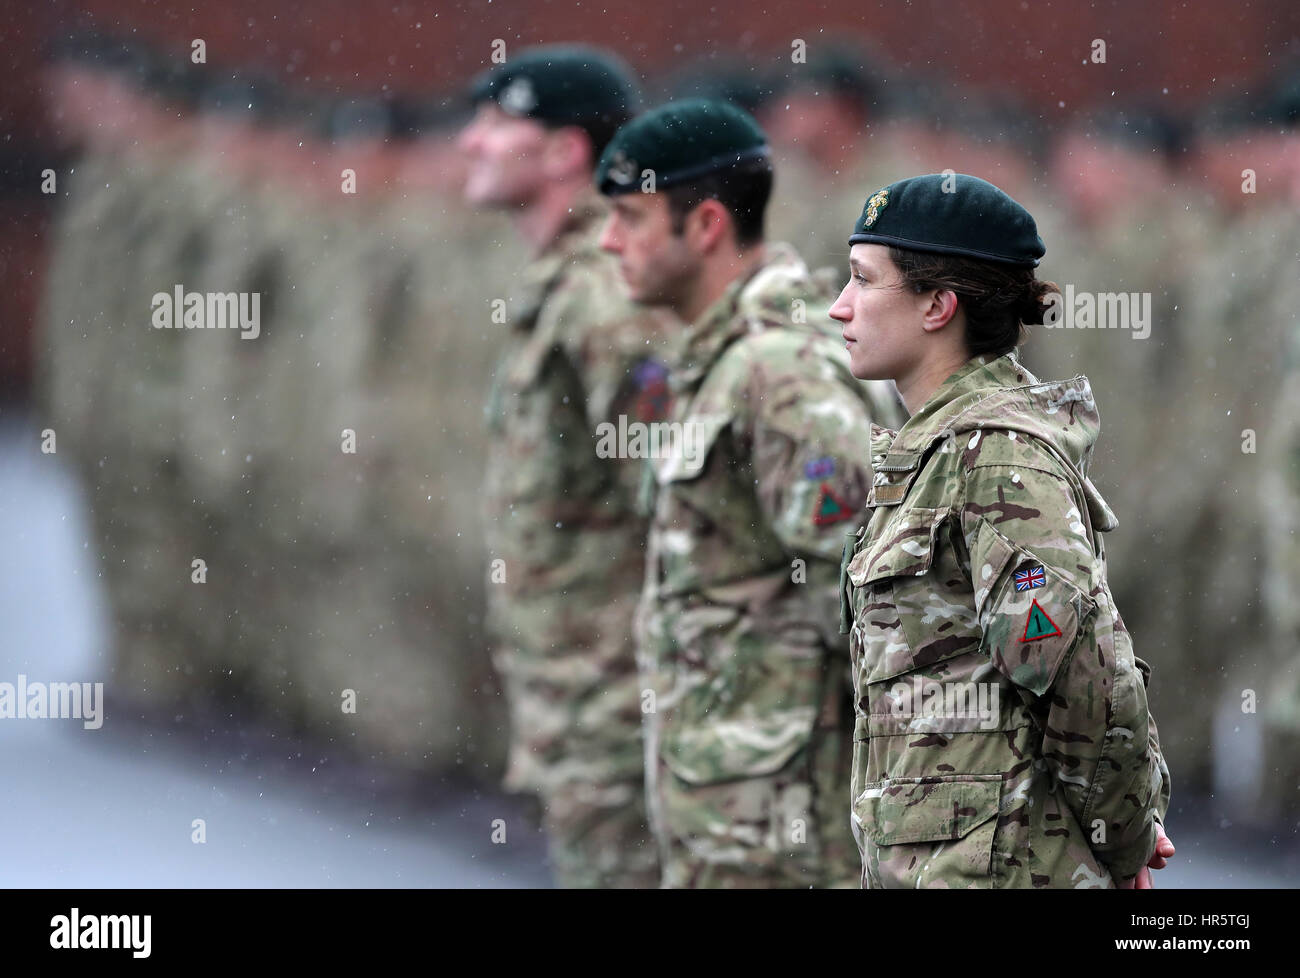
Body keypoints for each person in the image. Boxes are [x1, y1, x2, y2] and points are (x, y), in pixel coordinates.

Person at [831, 173, 1175, 888]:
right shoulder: (938, 448)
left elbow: (1084, 679)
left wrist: (1125, 835)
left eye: (864, 281)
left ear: (937, 305)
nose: (840, 308)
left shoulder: (996, 456)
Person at [595, 98, 904, 887]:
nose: (608, 240)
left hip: (783, 830)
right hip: (732, 810)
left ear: (703, 227)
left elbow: (889, 592)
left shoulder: (779, 370)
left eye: (630, 217)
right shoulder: (725, 361)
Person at [456, 45, 673, 888]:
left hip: (621, 703)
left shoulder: (603, 295)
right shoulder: (568, 282)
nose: (470, 142)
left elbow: (674, 503)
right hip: (582, 699)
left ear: (564, 154)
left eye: (497, 123)